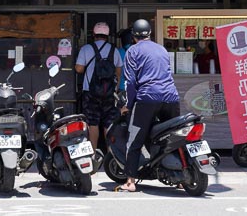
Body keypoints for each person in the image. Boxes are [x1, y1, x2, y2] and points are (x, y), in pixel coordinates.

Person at [120, 18, 180, 192]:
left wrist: (128, 105)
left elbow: (130, 82)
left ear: (133, 36)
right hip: (171, 97)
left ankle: (130, 181)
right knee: (175, 136)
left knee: (134, 139)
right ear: (150, 34)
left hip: (147, 98)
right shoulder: (161, 49)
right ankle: (182, 174)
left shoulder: (133, 51)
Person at [75, 22, 123, 153]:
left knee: (92, 123)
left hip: (90, 93)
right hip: (108, 93)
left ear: (94, 35)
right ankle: (111, 155)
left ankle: (93, 153)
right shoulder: (114, 50)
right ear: (107, 36)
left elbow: (79, 69)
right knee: (109, 123)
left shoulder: (86, 49)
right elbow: (119, 71)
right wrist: (116, 88)